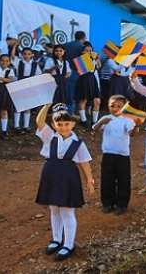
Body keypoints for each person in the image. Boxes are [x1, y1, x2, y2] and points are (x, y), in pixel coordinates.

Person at [34, 103, 94, 261]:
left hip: (68, 176)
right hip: (51, 174)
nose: (63, 127)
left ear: (73, 123)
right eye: (59, 124)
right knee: (54, 208)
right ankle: (56, 239)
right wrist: (46, 104)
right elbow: (39, 122)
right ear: (54, 124)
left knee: (67, 211)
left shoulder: (77, 143)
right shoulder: (50, 136)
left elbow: (84, 162)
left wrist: (89, 180)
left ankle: (68, 244)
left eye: (66, 124)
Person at [93, 95, 136, 215]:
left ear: (124, 107)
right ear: (108, 106)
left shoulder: (127, 120)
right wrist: (101, 122)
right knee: (107, 180)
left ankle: (121, 205)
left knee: (123, 180)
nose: (115, 108)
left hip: (123, 155)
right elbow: (95, 129)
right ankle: (107, 203)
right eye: (112, 106)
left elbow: (131, 133)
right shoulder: (106, 118)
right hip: (108, 154)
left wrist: (136, 126)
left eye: (119, 106)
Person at [12, 47, 41, 133]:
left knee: (27, 106)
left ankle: (26, 126)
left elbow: (38, 75)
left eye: (29, 54)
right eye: (24, 54)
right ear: (22, 54)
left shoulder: (35, 64)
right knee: (19, 106)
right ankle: (16, 126)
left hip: (30, 85)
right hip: (20, 85)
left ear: (32, 55)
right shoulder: (18, 62)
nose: (26, 56)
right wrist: (15, 46)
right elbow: (12, 56)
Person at [74, 43, 102, 126]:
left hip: (93, 79)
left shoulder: (94, 58)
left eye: (90, 50)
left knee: (97, 101)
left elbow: (99, 67)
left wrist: (97, 59)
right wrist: (92, 58)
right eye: (87, 50)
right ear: (82, 51)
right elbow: (85, 70)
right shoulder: (79, 59)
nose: (89, 52)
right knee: (83, 100)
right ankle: (83, 120)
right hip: (84, 79)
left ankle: (94, 121)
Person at [64, 31, 87, 113]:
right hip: (78, 73)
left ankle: (66, 113)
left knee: (67, 94)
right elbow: (85, 65)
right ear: (84, 38)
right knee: (75, 95)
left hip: (65, 72)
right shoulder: (83, 47)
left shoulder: (66, 45)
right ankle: (71, 114)